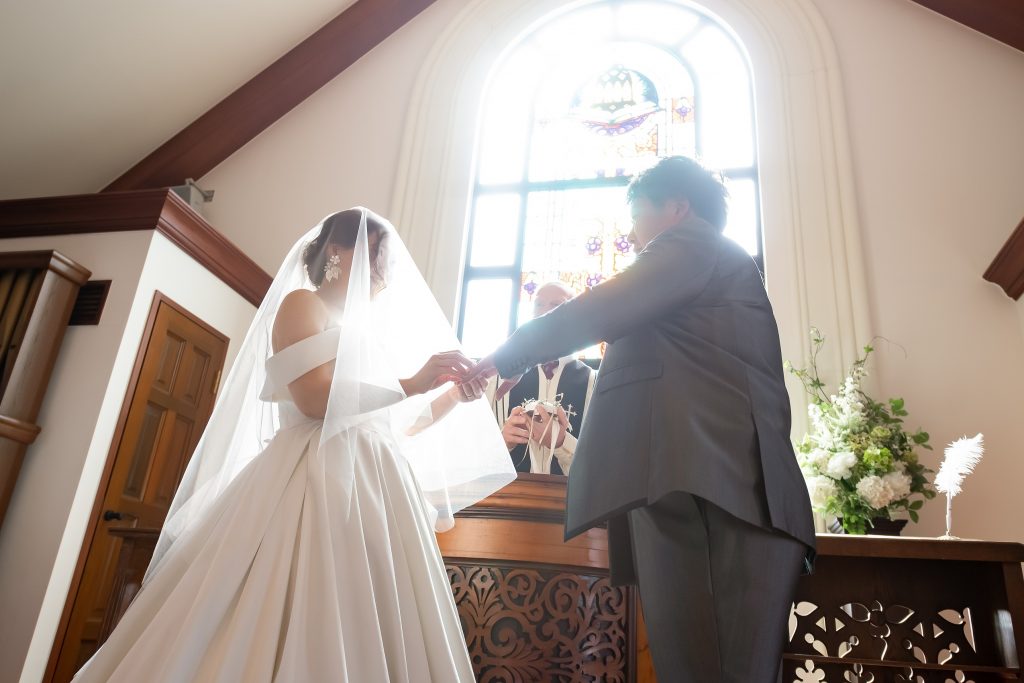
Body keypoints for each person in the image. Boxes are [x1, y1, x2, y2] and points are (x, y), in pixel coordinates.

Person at [74, 208, 516, 682]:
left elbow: (396, 424)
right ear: (336, 252)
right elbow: (311, 398)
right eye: (374, 253)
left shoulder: (368, 332)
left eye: (384, 258)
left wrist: (453, 393)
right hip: (312, 476)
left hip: (376, 487)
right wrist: (411, 383)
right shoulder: (305, 305)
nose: (383, 269)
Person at [468, 157, 816, 683]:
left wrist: (505, 356)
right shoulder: (705, 268)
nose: (631, 236)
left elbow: (598, 308)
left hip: (713, 492)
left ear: (677, 208)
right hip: (707, 488)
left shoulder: (693, 243)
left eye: (636, 217)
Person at [489, 282, 596, 475]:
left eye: (557, 305)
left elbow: (601, 465)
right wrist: (503, 442)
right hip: (511, 492)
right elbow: (475, 456)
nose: (545, 312)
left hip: (567, 493)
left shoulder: (593, 382)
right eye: (538, 304)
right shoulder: (499, 380)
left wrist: (562, 442)